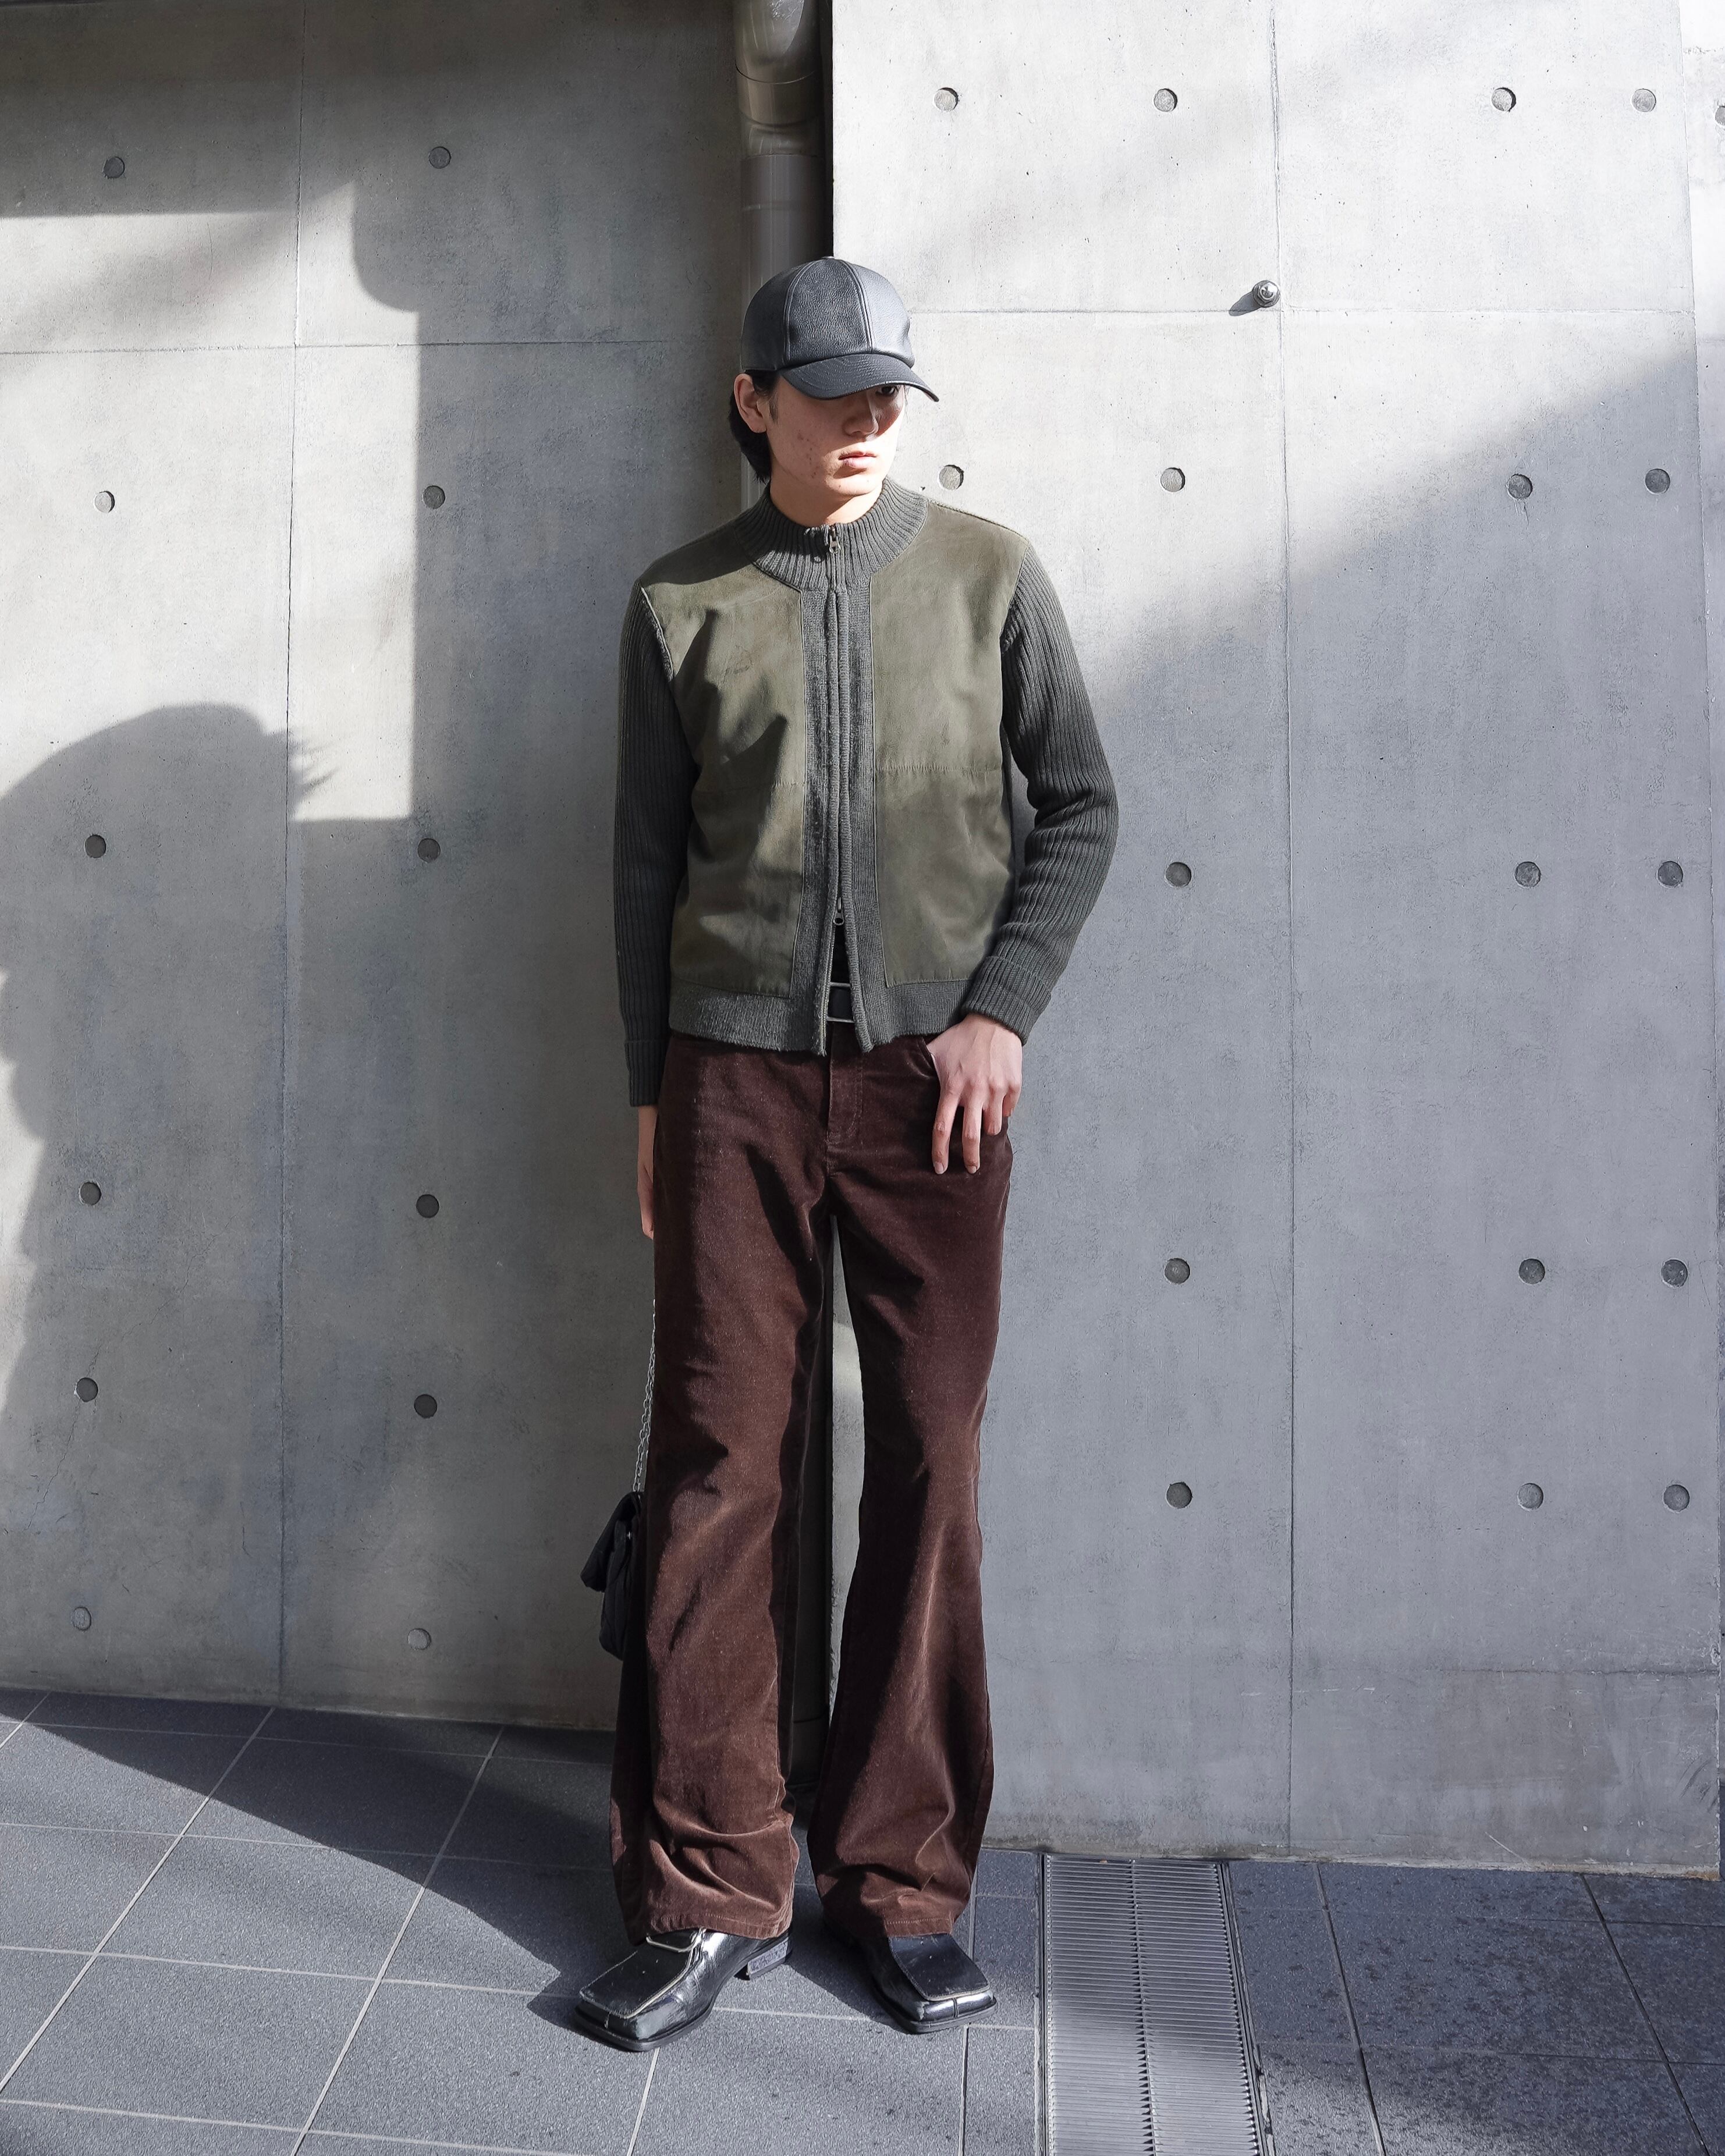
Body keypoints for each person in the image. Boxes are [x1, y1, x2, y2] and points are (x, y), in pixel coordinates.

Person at [574, 255, 1117, 2052]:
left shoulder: (986, 577)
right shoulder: (680, 601)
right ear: (756, 403)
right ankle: (706, 1886)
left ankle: (899, 1883)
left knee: (932, 1461)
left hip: (931, 1095)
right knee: (719, 1465)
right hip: (727, 1083)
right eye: (831, 394)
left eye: (888, 391)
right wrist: (651, 1095)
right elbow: (646, 868)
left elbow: (1081, 804)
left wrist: (999, 1012)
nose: (868, 420)